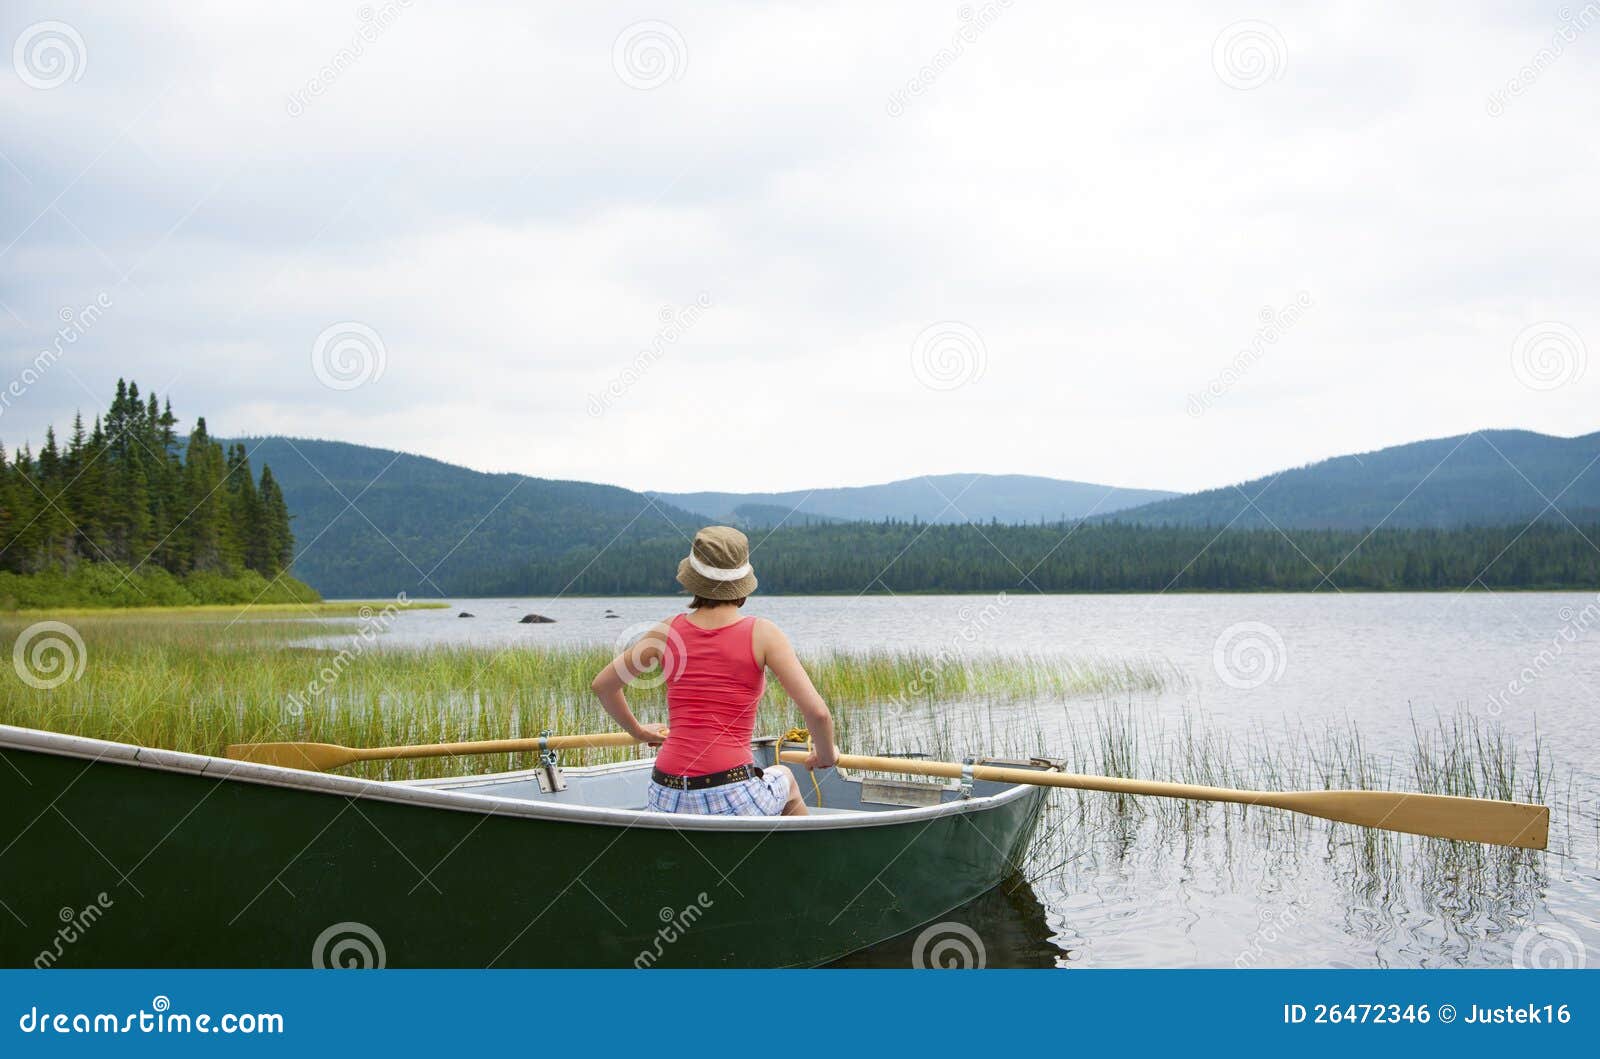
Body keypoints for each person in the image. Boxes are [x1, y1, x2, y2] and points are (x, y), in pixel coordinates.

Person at [590, 525, 837, 816]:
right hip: (728, 789)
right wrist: (825, 754)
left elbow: (603, 685)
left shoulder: (667, 630)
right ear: (743, 582)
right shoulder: (763, 633)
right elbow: (818, 713)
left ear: (693, 581)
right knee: (786, 779)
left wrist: (640, 732)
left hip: (665, 792)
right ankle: (797, 861)